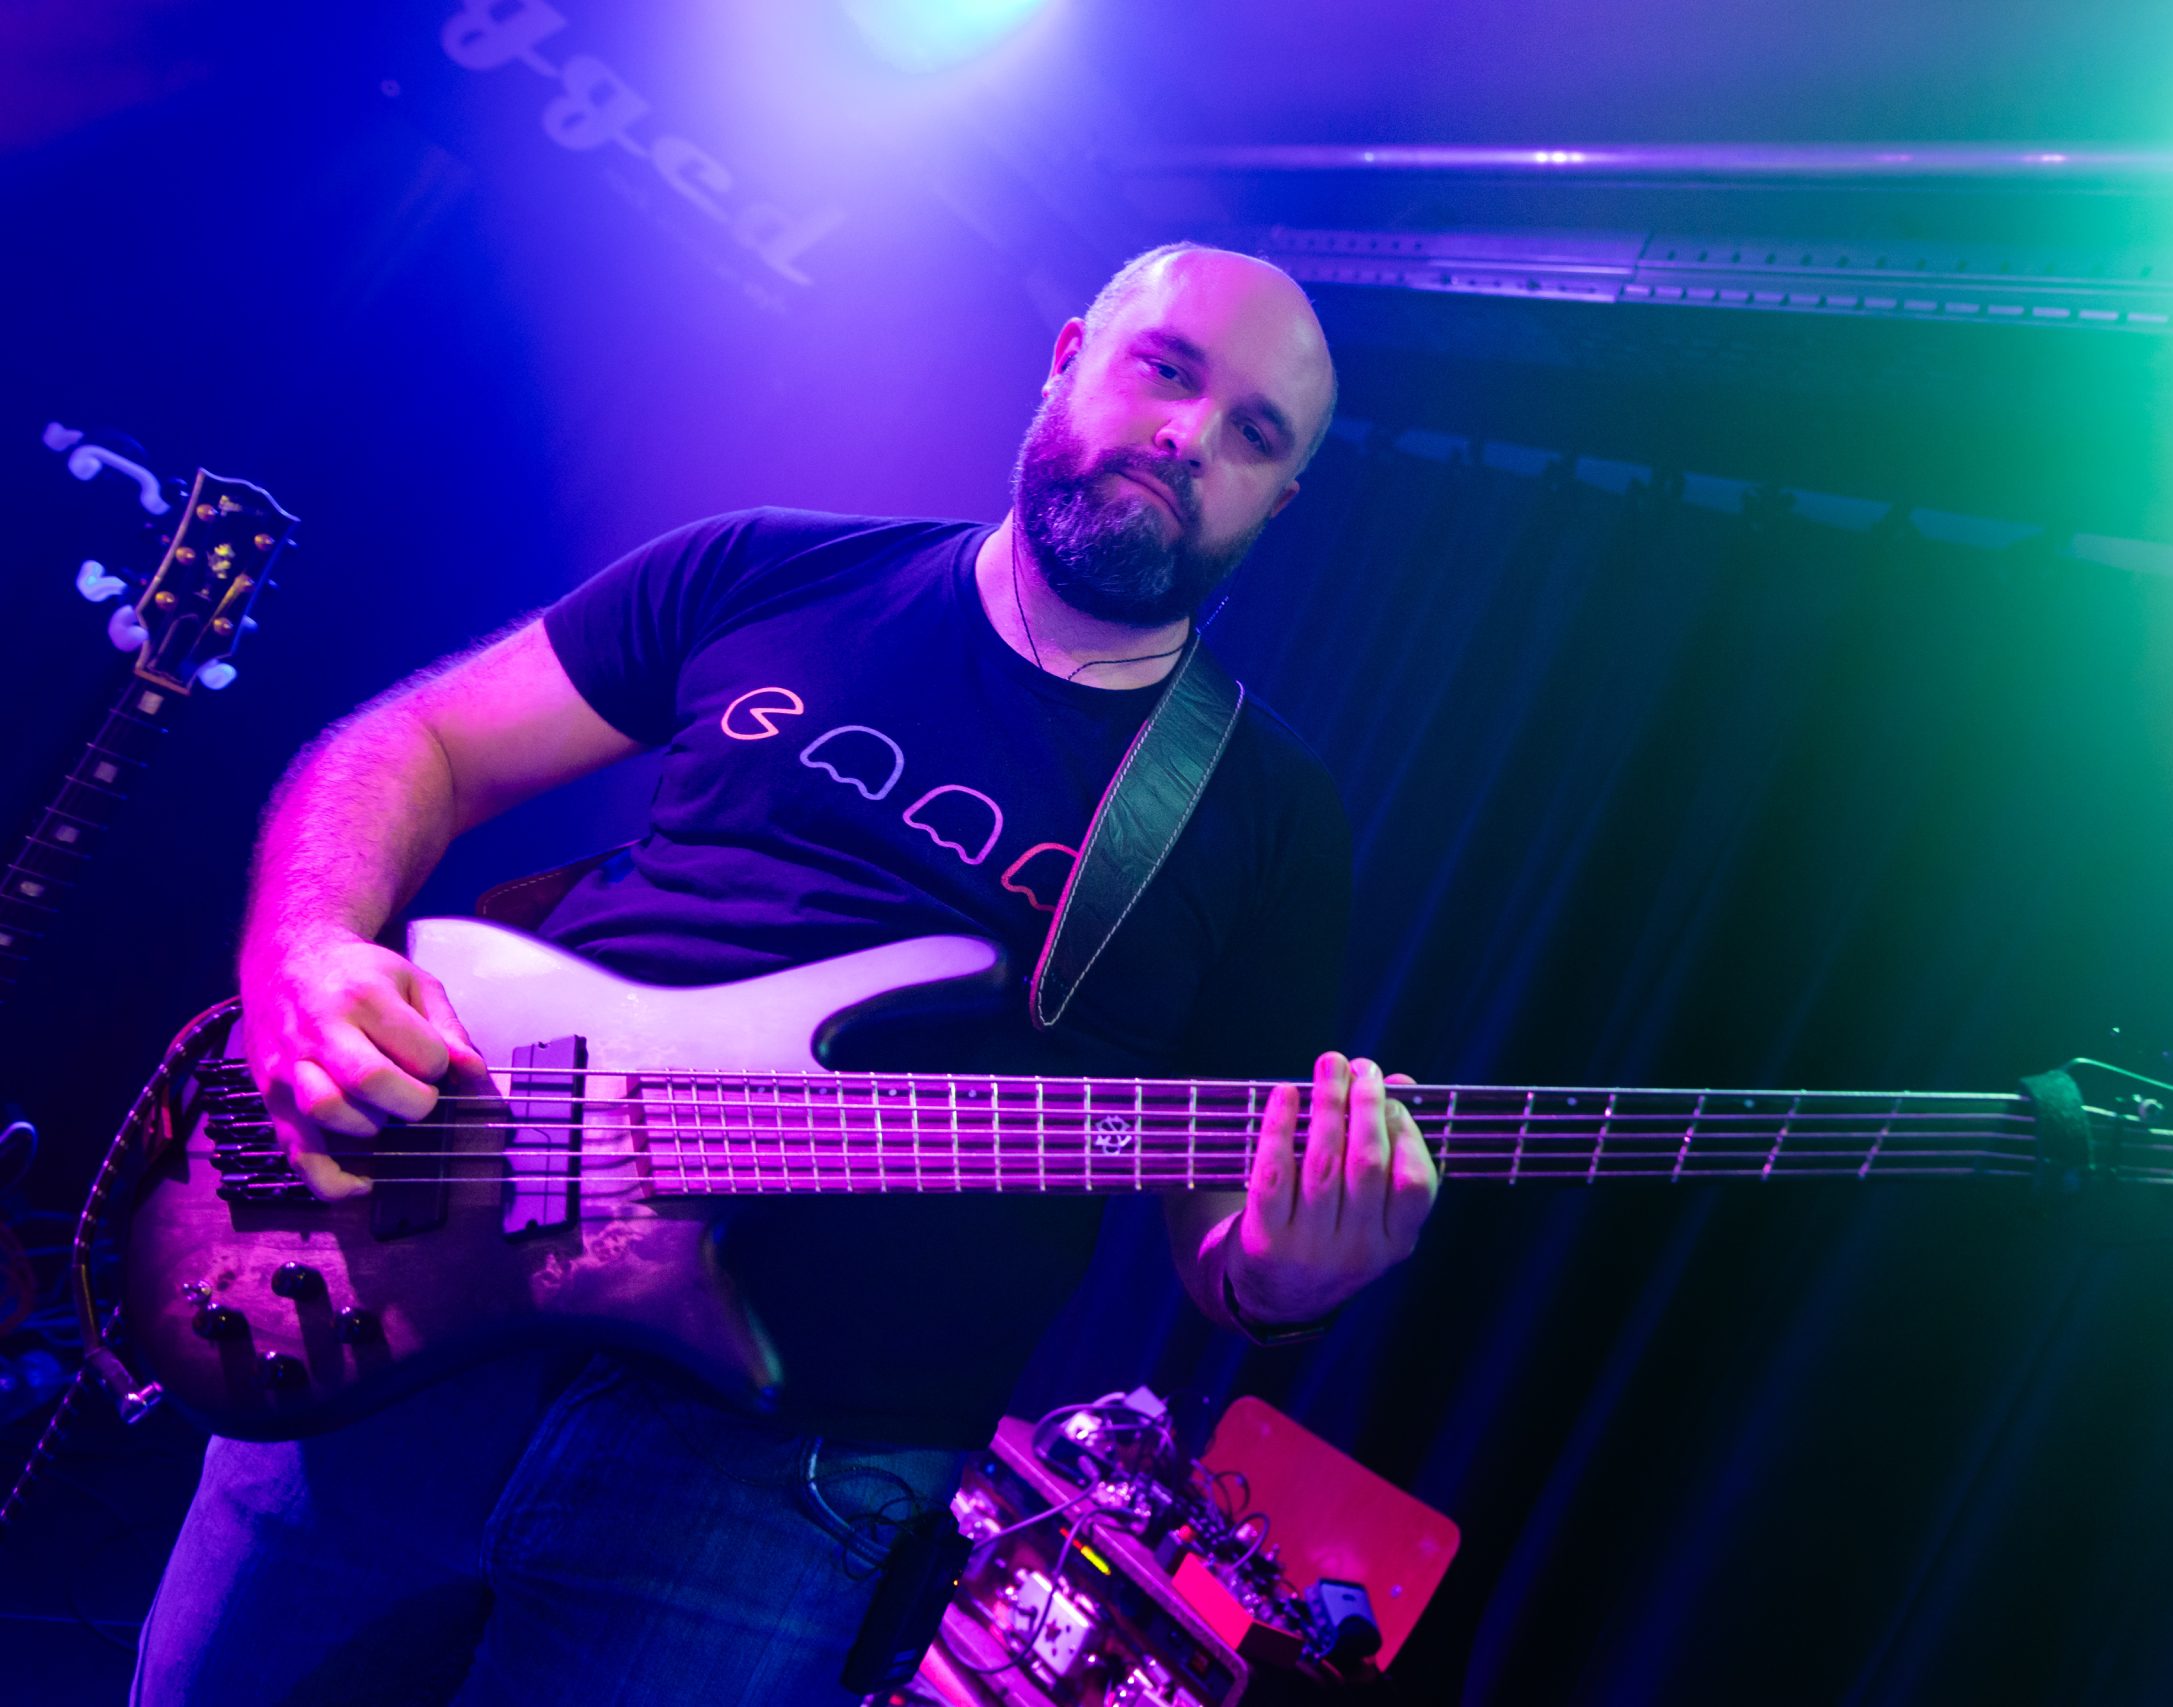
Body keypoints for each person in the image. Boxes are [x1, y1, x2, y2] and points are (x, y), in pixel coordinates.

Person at [132, 243, 1440, 1704]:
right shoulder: (771, 567)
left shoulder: (1268, 816)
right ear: (1071, 353)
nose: (1191, 435)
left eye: (1254, 431)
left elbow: (1225, 1212)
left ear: (1281, 500)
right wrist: (307, 946)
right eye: (1168, 368)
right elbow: (416, 744)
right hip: (413, 1286)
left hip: (775, 1487)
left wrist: (1284, 1278)